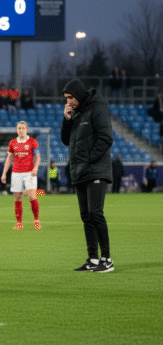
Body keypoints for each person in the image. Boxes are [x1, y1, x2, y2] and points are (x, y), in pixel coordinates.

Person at [62, 78, 114, 273]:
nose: (69, 101)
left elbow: (106, 137)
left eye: (71, 97)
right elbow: (66, 140)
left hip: (96, 169)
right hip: (81, 171)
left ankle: (106, 259)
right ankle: (93, 259)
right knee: (86, 216)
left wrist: (90, 159)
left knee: (95, 213)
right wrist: (67, 119)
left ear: (79, 93)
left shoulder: (97, 107)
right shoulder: (76, 113)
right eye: (66, 98)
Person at [1, 121, 41, 230]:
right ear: (16, 130)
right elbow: (9, 159)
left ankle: (36, 220)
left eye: (23, 128)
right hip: (16, 173)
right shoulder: (12, 142)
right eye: (19, 128)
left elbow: (38, 157)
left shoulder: (32, 141)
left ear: (27, 130)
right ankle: (19, 223)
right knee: (18, 198)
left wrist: (36, 168)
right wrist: (4, 173)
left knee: (32, 196)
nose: (21, 130)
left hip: (29, 173)